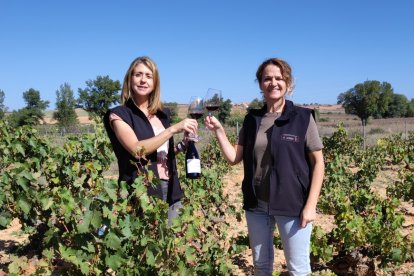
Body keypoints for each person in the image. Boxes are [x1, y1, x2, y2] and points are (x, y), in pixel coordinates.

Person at [205, 57, 325, 275]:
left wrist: (311, 205)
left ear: (288, 83)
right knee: (261, 266)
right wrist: (219, 131)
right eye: (267, 78)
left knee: (298, 269)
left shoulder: (303, 118)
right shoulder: (252, 119)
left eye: (279, 78)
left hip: (292, 204)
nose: (273, 83)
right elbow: (234, 158)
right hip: (257, 204)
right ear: (260, 84)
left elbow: (318, 163)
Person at [104, 56, 198, 224]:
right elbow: (137, 150)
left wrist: (183, 144)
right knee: (148, 245)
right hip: (143, 191)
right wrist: (173, 129)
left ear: (155, 83)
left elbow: (161, 153)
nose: (143, 80)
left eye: (148, 76)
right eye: (138, 74)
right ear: (129, 79)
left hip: (171, 187)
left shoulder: (162, 114)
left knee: (172, 245)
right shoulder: (119, 114)